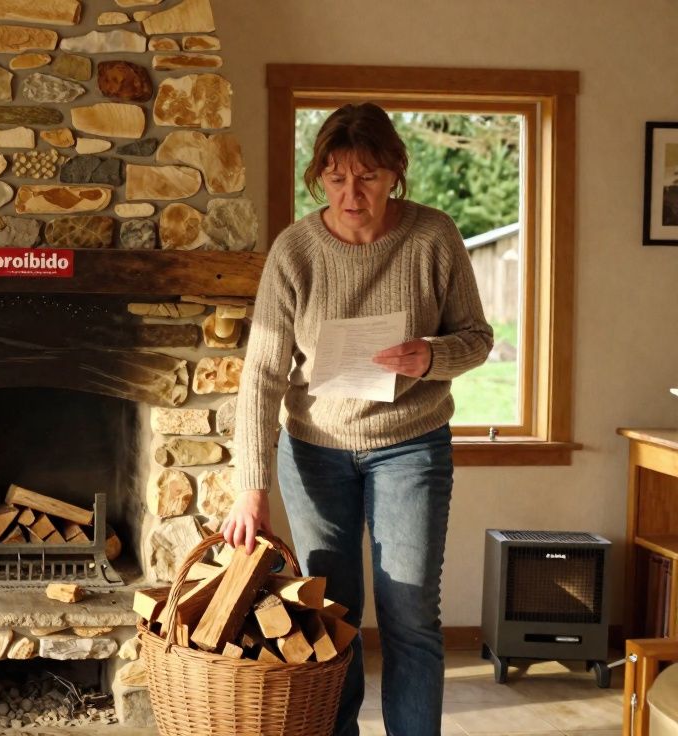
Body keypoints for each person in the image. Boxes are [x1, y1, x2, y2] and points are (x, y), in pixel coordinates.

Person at [221, 102, 494, 735]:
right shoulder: (295, 251)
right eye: (337, 178)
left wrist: (431, 355)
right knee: (332, 618)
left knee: (411, 616)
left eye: (367, 177)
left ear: (395, 173)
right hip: (315, 450)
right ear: (319, 178)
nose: (352, 194)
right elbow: (261, 375)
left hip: (411, 444)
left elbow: (478, 338)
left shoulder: (434, 237)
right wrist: (250, 488)